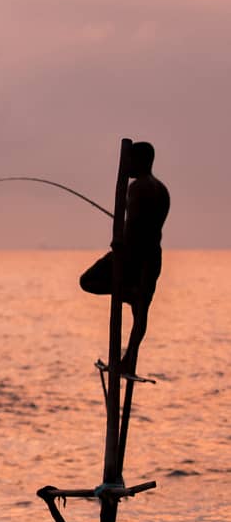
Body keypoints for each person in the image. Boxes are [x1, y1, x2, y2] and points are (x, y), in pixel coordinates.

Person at [79, 140, 169, 372]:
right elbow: (149, 225)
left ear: (139, 160)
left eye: (129, 160)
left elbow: (136, 224)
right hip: (153, 256)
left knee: (87, 281)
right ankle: (130, 358)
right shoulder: (162, 190)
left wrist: (120, 243)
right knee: (141, 312)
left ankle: (127, 292)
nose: (125, 166)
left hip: (132, 254)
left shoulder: (137, 187)